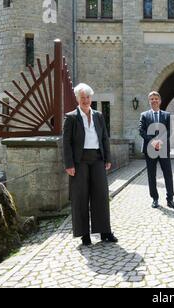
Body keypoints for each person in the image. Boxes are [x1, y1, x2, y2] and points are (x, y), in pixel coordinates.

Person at [63, 83, 118, 246]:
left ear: (91, 98)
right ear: (77, 99)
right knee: (80, 196)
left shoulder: (98, 116)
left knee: (101, 195)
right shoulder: (71, 117)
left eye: (88, 97)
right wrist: (69, 164)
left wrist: (108, 158)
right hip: (79, 161)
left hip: (97, 158)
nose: (86, 100)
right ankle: (84, 234)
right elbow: (66, 142)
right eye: (82, 98)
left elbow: (104, 138)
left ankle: (105, 231)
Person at [139, 91, 174, 209]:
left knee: (168, 174)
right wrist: (153, 142)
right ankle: (155, 199)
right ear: (149, 101)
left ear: (160, 101)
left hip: (163, 149)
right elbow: (141, 130)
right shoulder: (144, 115)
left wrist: (160, 142)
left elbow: (169, 130)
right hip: (149, 149)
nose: (154, 100)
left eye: (156, 98)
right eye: (152, 99)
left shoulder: (166, 115)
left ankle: (170, 199)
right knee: (151, 175)